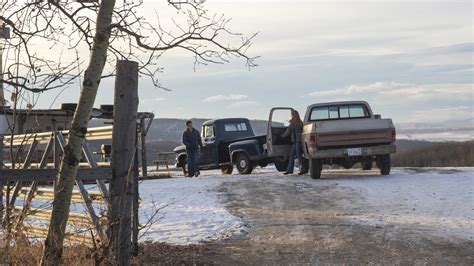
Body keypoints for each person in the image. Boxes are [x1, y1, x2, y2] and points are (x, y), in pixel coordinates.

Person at [281, 109, 304, 175]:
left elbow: (288, 132)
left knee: (296, 156)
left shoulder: (293, 123)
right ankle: (292, 170)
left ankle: (298, 170)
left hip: (297, 142)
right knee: (296, 156)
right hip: (299, 142)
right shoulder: (300, 122)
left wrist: (282, 136)